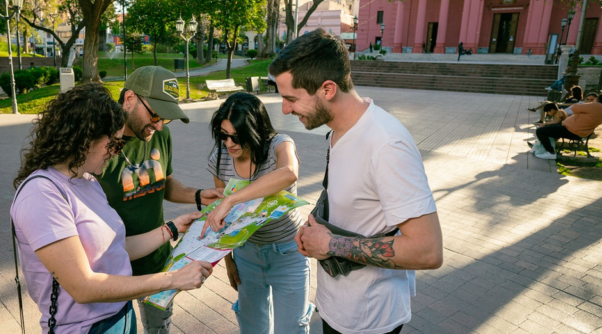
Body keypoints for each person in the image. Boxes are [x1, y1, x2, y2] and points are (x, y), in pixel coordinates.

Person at [268, 28, 443, 334]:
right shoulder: (339, 130)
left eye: (291, 98)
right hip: (338, 307)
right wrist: (315, 229)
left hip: (369, 319)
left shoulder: (386, 144)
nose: (285, 109)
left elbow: (427, 250)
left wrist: (330, 243)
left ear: (327, 89)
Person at [10, 83, 213, 334]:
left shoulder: (86, 180)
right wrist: (172, 279)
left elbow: (113, 249)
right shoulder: (42, 194)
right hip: (86, 327)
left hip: (118, 315)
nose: (116, 153)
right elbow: (83, 287)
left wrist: (173, 227)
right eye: (114, 144)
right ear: (86, 139)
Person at [95, 66, 224, 334]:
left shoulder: (160, 134)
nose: (159, 125)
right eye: (155, 114)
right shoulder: (97, 146)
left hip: (156, 262)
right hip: (111, 268)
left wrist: (197, 195)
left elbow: (164, 184)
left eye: (165, 118)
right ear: (129, 99)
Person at [202, 92, 313, 333]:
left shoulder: (279, 145)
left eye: (236, 136)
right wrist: (229, 261)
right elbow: (223, 220)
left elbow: (289, 173)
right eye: (223, 135)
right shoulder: (220, 158)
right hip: (247, 256)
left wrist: (232, 199)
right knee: (253, 328)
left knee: (291, 328)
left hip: (287, 253)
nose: (229, 143)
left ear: (255, 129)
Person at [534, 93, 602, 160]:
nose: (590, 101)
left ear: (597, 99)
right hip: (575, 131)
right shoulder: (598, 108)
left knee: (540, 131)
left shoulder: (596, 105)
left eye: (593, 99)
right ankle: (538, 147)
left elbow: (575, 107)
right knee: (548, 128)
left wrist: (590, 104)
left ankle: (550, 153)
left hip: (571, 130)